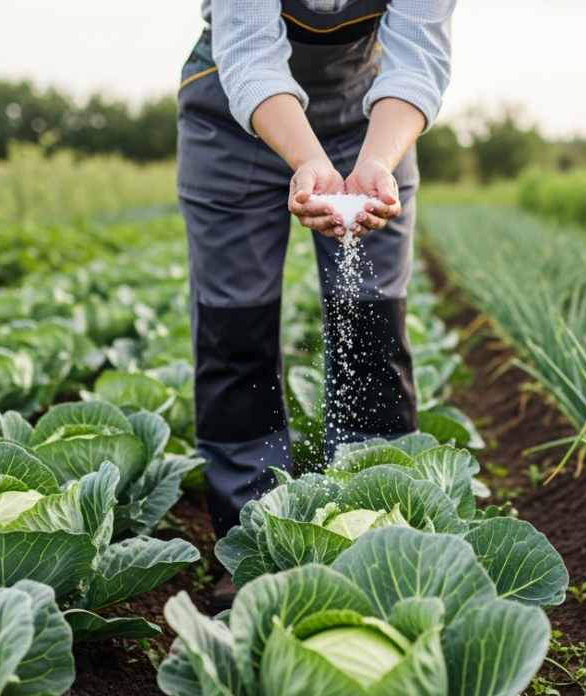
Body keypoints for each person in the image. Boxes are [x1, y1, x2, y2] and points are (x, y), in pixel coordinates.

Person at [178, 0, 455, 546]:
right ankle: (253, 537)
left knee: (371, 327)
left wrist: (377, 162)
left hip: (372, 117)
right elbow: (250, 50)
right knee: (237, 330)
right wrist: (309, 160)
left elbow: (419, 52)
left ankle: (372, 530)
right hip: (237, 114)